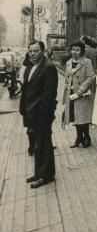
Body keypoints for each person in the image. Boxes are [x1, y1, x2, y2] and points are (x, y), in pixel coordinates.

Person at [19, 41, 58, 188]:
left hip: (42, 114)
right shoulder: (30, 66)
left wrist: (41, 111)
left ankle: (46, 176)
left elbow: (49, 94)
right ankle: (39, 172)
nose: (32, 54)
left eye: (35, 51)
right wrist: (24, 109)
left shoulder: (48, 67)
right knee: (37, 144)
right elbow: (26, 90)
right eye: (30, 51)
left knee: (44, 143)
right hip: (31, 113)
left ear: (42, 51)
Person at [63, 41, 96, 148]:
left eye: (77, 50)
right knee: (75, 117)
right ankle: (78, 138)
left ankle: (86, 137)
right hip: (71, 93)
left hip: (82, 94)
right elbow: (67, 78)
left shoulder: (86, 62)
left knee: (83, 118)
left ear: (82, 51)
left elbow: (91, 77)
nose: (75, 52)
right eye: (73, 49)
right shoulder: (69, 62)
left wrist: (80, 91)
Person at [20, 52, 35, 155]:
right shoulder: (25, 67)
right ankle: (32, 147)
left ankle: (35, 146)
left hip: (29, 99)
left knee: (36, 124)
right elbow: (22, 81)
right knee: (31, 125)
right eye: (31, 54)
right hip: (28, 99)